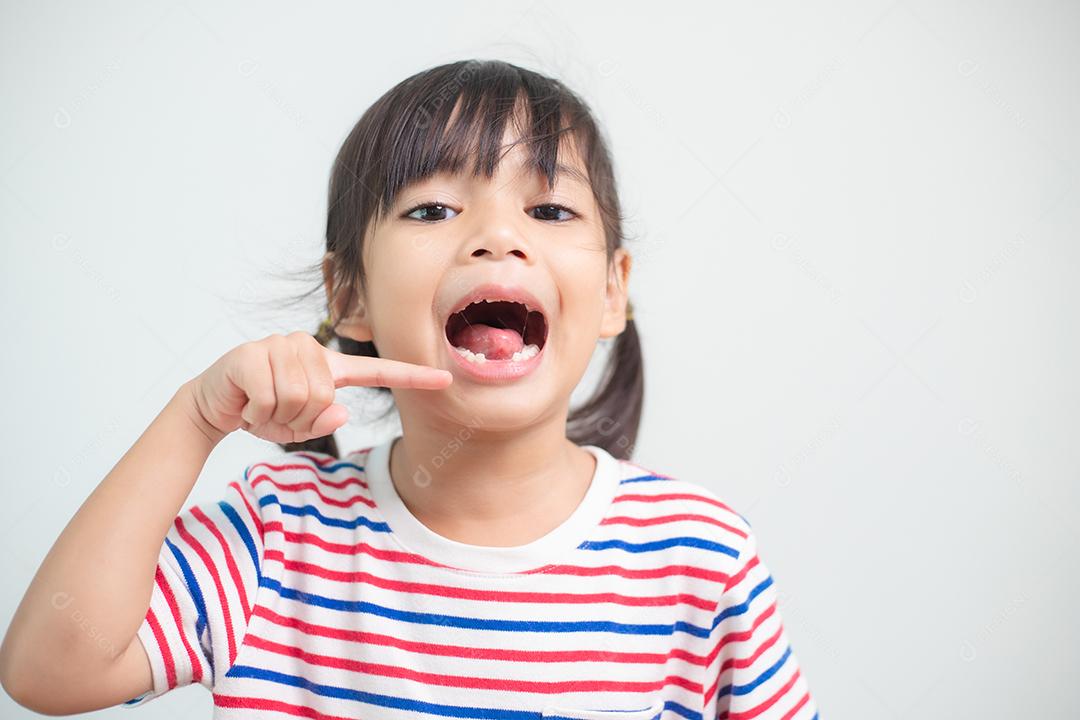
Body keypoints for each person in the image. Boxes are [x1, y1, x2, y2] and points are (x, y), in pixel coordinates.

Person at [0, 59, 819, 719]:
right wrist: (193, 418)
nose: (498, 237)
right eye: (431, 210)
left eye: (548, 210)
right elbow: (49, 672)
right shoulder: (276, 537)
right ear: (348, 296)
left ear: (612, 290)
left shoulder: (698, 555)